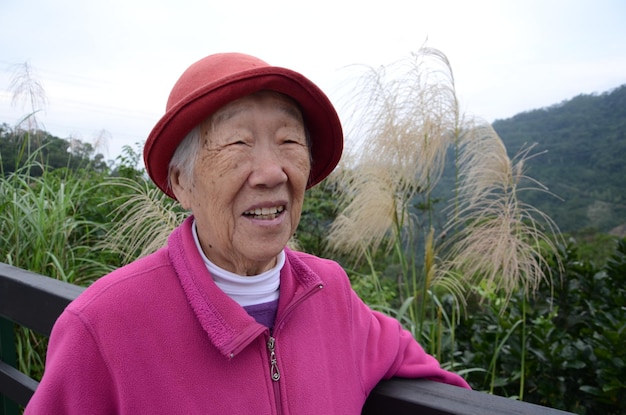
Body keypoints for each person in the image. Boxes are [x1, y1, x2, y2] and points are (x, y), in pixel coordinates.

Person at [25, 52, 470, 414]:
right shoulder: (104, 326)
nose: (272, 172)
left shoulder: (328, 289)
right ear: (182, 183)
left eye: (290, 142)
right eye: (238, 143)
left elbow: (437, 384)